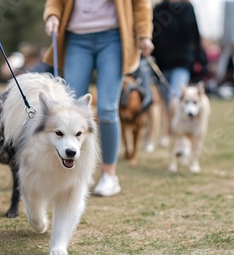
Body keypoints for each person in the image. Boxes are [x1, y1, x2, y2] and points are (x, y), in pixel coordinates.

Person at [43, 0, 154, 197]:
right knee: (71, 111)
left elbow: (140, 4)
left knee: (107, 109)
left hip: (114, 39)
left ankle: (110, 175)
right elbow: (55, 2)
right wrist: (52, 16)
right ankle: (79, 175)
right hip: (76, 38)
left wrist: (144, 34)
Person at [151, 0, 201, 105]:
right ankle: (168, 122)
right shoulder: (159, 10)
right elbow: (153, 37)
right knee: (164, 102)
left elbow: (195, 36)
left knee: (175, 97)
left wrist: (199, 59)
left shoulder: (187, 9)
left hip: (182, 61)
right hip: (162, 64)